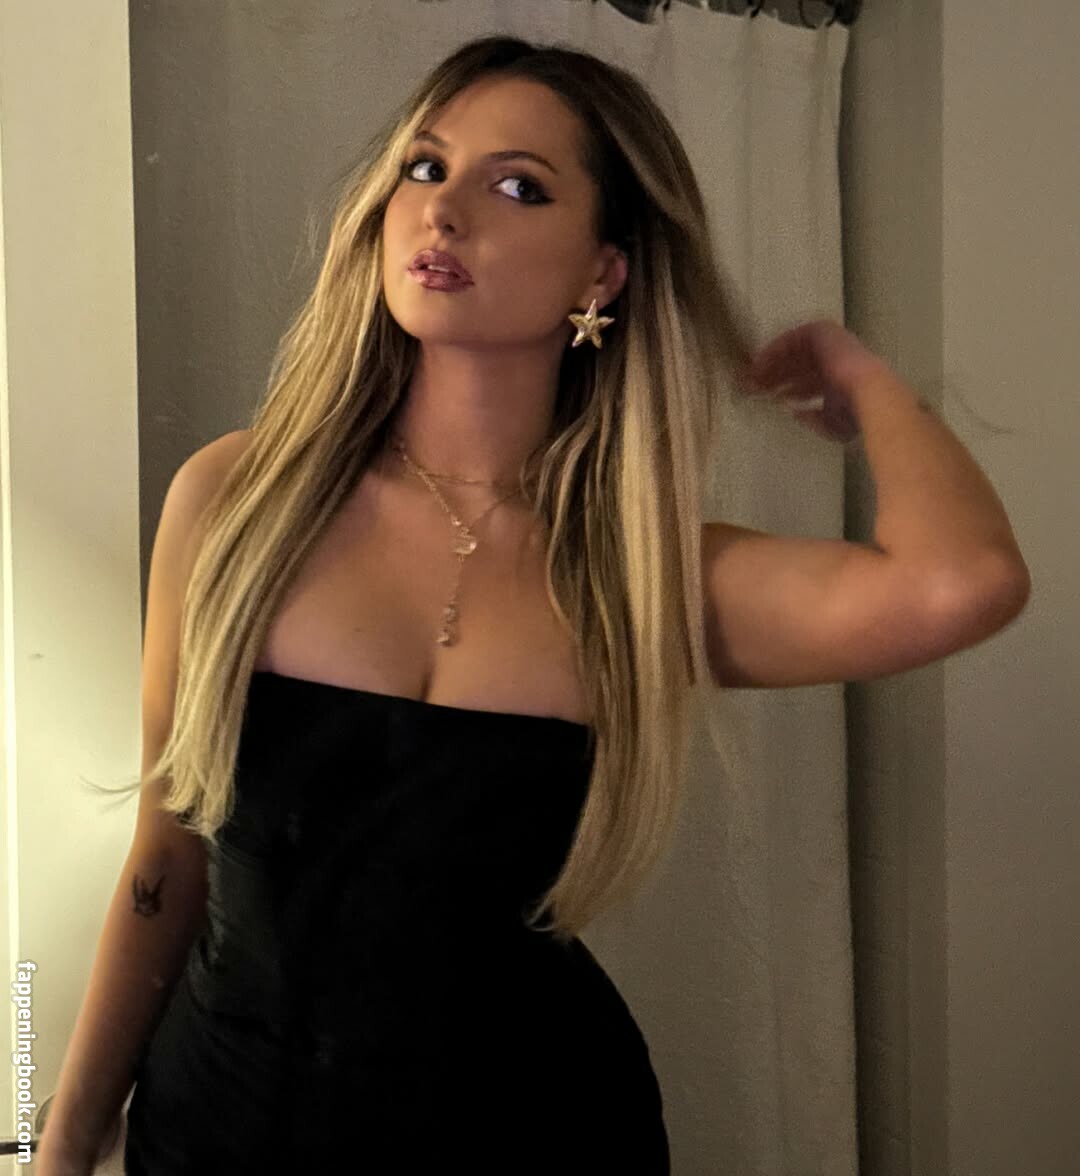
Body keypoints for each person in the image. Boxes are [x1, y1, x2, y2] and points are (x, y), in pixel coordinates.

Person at [35, 33, 1029, 1176]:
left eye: (518, 187)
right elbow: (166, 858)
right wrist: (59, 1140)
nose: (445, 210)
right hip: (224, 1131)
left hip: (536, 1134)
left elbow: (962, 582)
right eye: (425, 167)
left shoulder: (639, 573)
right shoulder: (234, 501)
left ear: (601, 274)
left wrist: (864, 379)